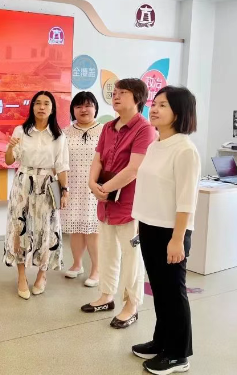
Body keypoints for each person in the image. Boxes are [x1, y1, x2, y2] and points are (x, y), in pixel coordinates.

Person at [131, 86, 200, 375]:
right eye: (155, 103)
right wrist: (142, 224)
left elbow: (186, 201)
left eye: (163, 105)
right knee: (160, 291)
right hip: (150, 227)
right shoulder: (156, 144)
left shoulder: (185, 150)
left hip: (172, 232)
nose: (155, 109)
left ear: (179, 112)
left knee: (173, 292)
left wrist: (177, 240)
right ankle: (162, 341)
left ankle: (178, 355)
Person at [80, 78, 155, 329]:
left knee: (132, 257)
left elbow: (134, 169)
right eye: (115, 93)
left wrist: (104, 188)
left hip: (129, 204)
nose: (116, 96)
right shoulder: (108, 127)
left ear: (138, 99)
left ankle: (132, 305)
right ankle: (106, 296)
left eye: (123, 93)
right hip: (106, 202)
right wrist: (92, 183)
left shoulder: (144, 129)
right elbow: (98, 160)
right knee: (107, 250)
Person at [3, 91, 70, 299]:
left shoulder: (58, 136)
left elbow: (62, 166)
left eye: (46, 103)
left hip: (47, 184)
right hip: (23, 181)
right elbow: (9, 160)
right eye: (38, 103)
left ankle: (42, 274)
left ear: (52, 108)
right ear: (32, 107)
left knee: (47, 229)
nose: (42, 107)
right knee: (19, 227)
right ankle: (21, 276)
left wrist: (65, 191)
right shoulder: (21, 131)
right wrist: (10, 148)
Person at [62, 91, 103, 287]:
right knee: (75, 229)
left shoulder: (105, 131)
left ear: (95, 108)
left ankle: (96, 270)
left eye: (88, 105)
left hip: (95, 188)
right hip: (72, 187)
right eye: (78, 106)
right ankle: (77, 264)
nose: (83, 110)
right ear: (73, 110)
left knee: (93, 230)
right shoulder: (65, 133)